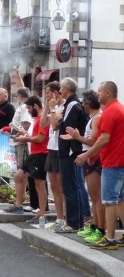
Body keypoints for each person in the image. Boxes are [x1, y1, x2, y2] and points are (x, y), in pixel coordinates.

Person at [76, 81, 124, 249]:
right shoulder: (119, 108)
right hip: (119, 160)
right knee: (120, 200)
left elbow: (104, 138)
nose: (98, 93)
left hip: (113, 161)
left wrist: (88, 154)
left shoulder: (110, 112)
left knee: (109, 201)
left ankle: (110, 239)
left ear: (109, 93)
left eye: (100, 90)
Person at [67, 90, 106, 244]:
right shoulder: (93, 118)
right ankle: (95, 226)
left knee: (97, 197)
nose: (82, 104)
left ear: (88, 104)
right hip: (92, 158)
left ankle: (100, 229)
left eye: (83, 102)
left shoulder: (97, 118)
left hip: (94, 160)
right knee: (94, 197)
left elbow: (94, 142)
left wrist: (78, 137)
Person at [7, 96, 49, 229]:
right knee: (18, 176)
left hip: (40, 154)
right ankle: (19, 204)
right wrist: (24, 135)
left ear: (36, 106)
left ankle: (42, 214)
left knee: (39, 184)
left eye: (30, 108)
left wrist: (25, 138)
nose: (29, 111)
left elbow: (41, 138)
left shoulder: (42, 119)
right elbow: (35, 136)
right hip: (34, 154)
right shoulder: (38, 119)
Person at [56, 78, 87, 233]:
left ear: (67, 88)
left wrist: (60, 119)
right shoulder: (71, 104)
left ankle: (73, 223)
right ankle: (77, 222)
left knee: (70, 187)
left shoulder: (73, 105)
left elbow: (67, 126)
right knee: (71, 186)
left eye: (61, 88)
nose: (59, 90)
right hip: (68, 150)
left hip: (69, 151)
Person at [41, 81, 67, 230]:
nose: (47, 95)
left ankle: (66, 218)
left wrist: (52, 108)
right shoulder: (51, 107)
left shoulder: (63, 107)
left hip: (60, 148)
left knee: (62, 185)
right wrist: (47, 107)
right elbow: (44, 124)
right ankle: (59, 217)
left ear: (56, 92)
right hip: (51, 147)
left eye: (49, 93)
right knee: (54, 186)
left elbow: (55, 125)